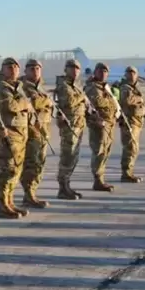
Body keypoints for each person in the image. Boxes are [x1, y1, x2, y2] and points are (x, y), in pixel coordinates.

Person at [0, 57, 31, 219]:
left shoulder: (18, 87)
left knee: (16, 170)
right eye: (9, 67)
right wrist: (25, 103)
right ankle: (3, 205)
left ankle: (10, 201)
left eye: (15, 66)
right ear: (3, 69)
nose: (13, 69)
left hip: (20, 134)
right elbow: (10, 106)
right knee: (7, 170)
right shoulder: (0, 87)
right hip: (8, 135)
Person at [19, 59, 53, 208]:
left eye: (37, 68)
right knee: (32, 164)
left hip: (44, 130)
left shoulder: (40, 87)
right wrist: (46, 100)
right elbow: (34, 102)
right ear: (26, 71)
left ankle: (33, 192)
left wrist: (44, 100)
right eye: (31, 68)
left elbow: (43, 103)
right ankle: (28, 194)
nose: (35, 71)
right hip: (32, 131)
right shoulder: (23, 87)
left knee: (40, 163)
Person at [53, 58, 87, 199]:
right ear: (66, 70)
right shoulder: (64, 85)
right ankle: (62, 187)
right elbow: (70, 101)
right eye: (72, 68)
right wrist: (82, 97)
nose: (75, 71)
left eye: (77, 68)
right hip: (69, 126)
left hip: (78, 125)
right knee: (67, 157)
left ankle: (67, 185)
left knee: (74, 157)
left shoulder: (76, 86)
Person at [83, 62, 119, 192]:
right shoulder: (92, 88)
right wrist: (95, 121)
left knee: (105, 152)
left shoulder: (106, 88)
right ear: (95, 72)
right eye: (100, 71)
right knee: (99, 152)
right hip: (98, 125)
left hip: (109, 125)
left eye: (105, 71)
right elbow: (88, 108)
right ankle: (97, 180)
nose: (103, 73)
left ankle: (101, 179)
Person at [118, 65, 145, 182]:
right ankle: (126, 174)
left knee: (134, 149)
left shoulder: (136, 88)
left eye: (133, 73)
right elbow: (127, 100)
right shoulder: (125, 88)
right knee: (130, 148)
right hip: (128, 122)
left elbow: (143, 104)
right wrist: (139, 99)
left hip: (137, 122)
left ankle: (129, 172)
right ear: (126, 75)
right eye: (129, 73)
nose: (131, 74)